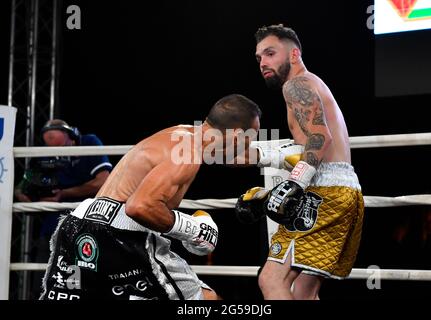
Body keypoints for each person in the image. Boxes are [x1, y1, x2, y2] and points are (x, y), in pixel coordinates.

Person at [39, 94, 262, 300]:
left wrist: (274, 156)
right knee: (205, 299)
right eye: (251, 137)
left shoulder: (183, 135)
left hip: (78, 227)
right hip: (120, 237)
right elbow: (139, 206)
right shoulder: (188, 153)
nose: (250, 143)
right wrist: (194, 229)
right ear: (235, 135)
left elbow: (226, 156)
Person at [235, 24, 364, 300]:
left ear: (294, 55)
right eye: (259, 58)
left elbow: (320, 137)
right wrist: (274, 192)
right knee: (305, 291)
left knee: (271, 279)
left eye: (270, 53)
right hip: (345, 191)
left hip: (324, 194)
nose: (263, 63)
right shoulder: (312, 82)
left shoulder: (296, 85)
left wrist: (294, 183)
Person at [14, 119, 113, 298]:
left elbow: (104, 181)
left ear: (71, 135)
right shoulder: (45, 156)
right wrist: (25, 195)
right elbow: (23, 186)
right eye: (48, 141)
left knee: (80, 284)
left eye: (56, 140)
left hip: (85, 224)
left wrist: (64, 193)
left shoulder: (88, 142)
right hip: (53, 226)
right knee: (43, 284)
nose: (53, 147)